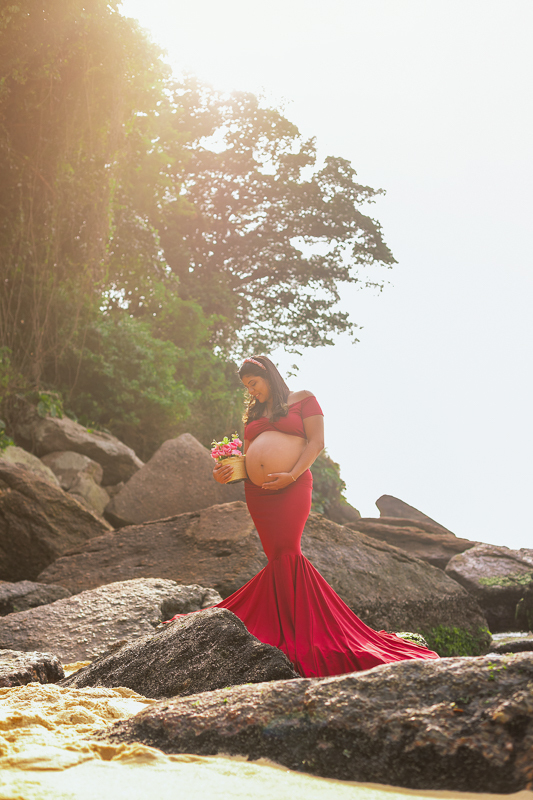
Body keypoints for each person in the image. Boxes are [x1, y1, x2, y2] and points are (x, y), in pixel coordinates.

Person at [171, 354, 439, 677]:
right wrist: (226, 473)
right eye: (247, 387)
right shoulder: (254, 413)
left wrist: (292, 475)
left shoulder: (304, 399)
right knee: (277, 558)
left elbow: (316, 442)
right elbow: (248, 457)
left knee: (288, 552)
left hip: (293, 485)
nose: (251, 391)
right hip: (258, 493)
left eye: (254, 384)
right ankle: (283, 627)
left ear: (269, 376)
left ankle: (300, 634)